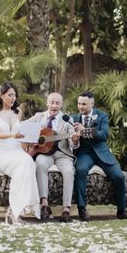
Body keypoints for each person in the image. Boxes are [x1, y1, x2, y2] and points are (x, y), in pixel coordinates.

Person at [72, 91, 127, 221]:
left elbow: (103, 135)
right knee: (80, 170)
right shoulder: (73, 118)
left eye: (84, 104)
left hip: (102, 153)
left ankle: (121, 210)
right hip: (84, 153)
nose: (81, 106)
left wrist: (84, 131)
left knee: (119, 176)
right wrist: (74, 141)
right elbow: (72, 141)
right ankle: (82, 209)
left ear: (92, 104)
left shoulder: (102, 116)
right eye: (79, 103)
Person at [0, 82, 40, 224]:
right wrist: (11, 135)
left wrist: (29, 141)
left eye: (15, 95)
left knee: (29, 162)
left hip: (15, 150)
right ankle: (14, 213)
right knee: (23, 164)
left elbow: (20, 137)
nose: (13, 98)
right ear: (1, 95)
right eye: (10, 95)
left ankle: (14, 211)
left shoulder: (18, 112)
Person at [27, 92, 78, 223]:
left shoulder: (68, 120)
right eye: (52, 102)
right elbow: (22, 128)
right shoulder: (39, 117)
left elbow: (73, 144)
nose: (54, 106)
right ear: (47, 103)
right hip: (44, 153)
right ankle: (44, 204)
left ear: (61, 105)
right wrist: (32, 139)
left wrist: (75, 140)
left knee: (68, 171)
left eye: (57, 103)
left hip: (62, 154)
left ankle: (66, 209)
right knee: (40, 163)